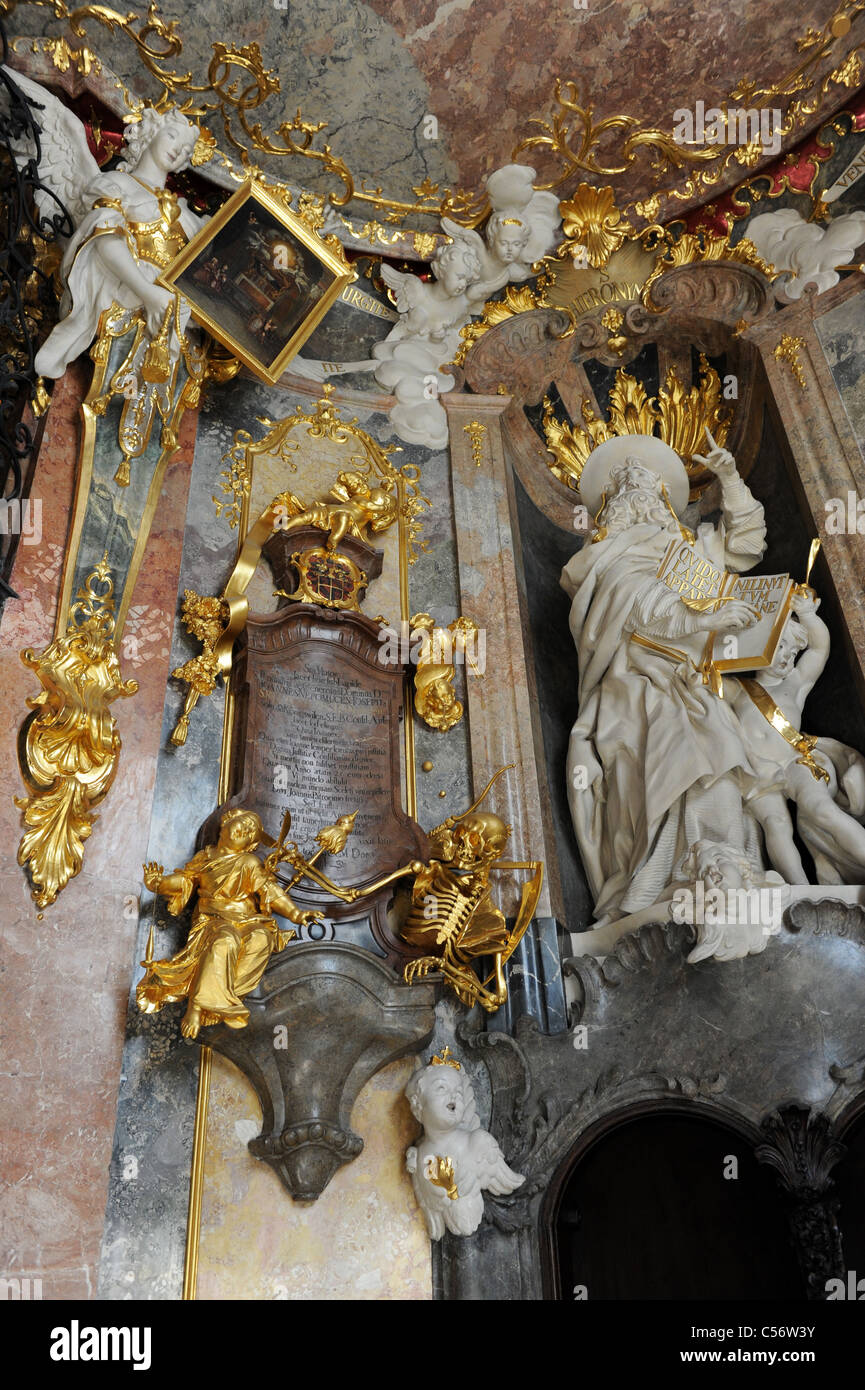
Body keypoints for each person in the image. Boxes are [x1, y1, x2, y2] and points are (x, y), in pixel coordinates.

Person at [560, 429, 768, 926]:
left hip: (698, 679)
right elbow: (630, 601)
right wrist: (699, 621)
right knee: (681, 753)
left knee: (727, 758)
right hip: (636, 684)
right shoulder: (601, 559)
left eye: (650, 490)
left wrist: (730, 478)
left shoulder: (693, 549)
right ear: (611, 505)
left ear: (665, 501)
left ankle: (729, 869)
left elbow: (748, 544)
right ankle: (666, 879)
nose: (641, 499)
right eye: (628, 489)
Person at [137, 807, 322, 1038]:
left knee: (262, 938)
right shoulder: (205, 858)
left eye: (248, 833)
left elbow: (270, 891)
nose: (243, 831)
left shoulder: (248, 862)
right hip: (214, 920)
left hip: (248, 919)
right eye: (242, 824)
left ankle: (225, 1000)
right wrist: (159, 883)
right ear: (225, 824)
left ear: (249, 845)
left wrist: (296, 914)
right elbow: (185, 881)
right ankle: (197, 1007)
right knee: (225, 940)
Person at [729, 589, 865, 884]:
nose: (788, 657)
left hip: (796, 762)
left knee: (820, 809)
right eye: (781, 648)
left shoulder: (795, 683)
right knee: (776, 825)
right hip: (757, 773)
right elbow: (701, 678)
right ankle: (801, 893)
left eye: (792, 652)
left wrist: (806, 615)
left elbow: (818, 650)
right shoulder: (737, 689)